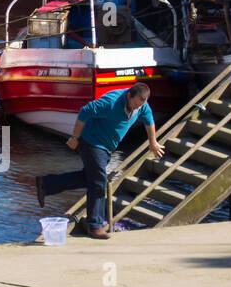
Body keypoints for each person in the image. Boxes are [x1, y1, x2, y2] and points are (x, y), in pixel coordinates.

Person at [36, 82, 164, 239]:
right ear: (128, 95)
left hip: (107, 147)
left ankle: (46, 184)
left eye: (140, 105)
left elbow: (149, 119)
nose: (137, 108)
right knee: (99, 183)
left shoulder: (141, 104)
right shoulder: (111, 102)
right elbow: (85, 111)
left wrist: (153, 142)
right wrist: (75, 137)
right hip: (92, 143)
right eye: (135, 104)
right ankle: (95, 226)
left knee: (90, 179)